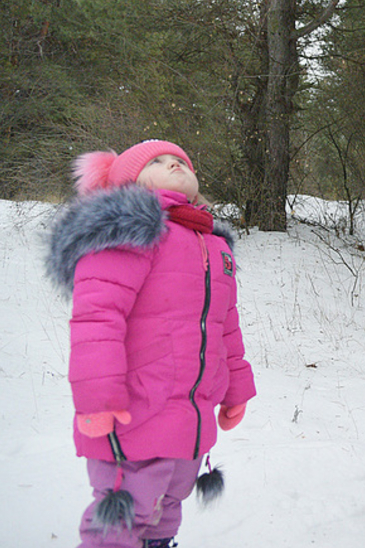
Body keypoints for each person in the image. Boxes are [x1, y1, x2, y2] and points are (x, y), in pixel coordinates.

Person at [46, 140, 257, 548]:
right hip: (132, 410)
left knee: (167, 507)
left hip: (190, 411)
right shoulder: (127, 232)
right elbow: (97, 320)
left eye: (181, 160)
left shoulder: (213, 243)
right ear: (129, 184)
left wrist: (236, 389)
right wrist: (98, 399)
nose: (174, 164)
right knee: (125, 511)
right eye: (158, 162)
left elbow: (225, 324)